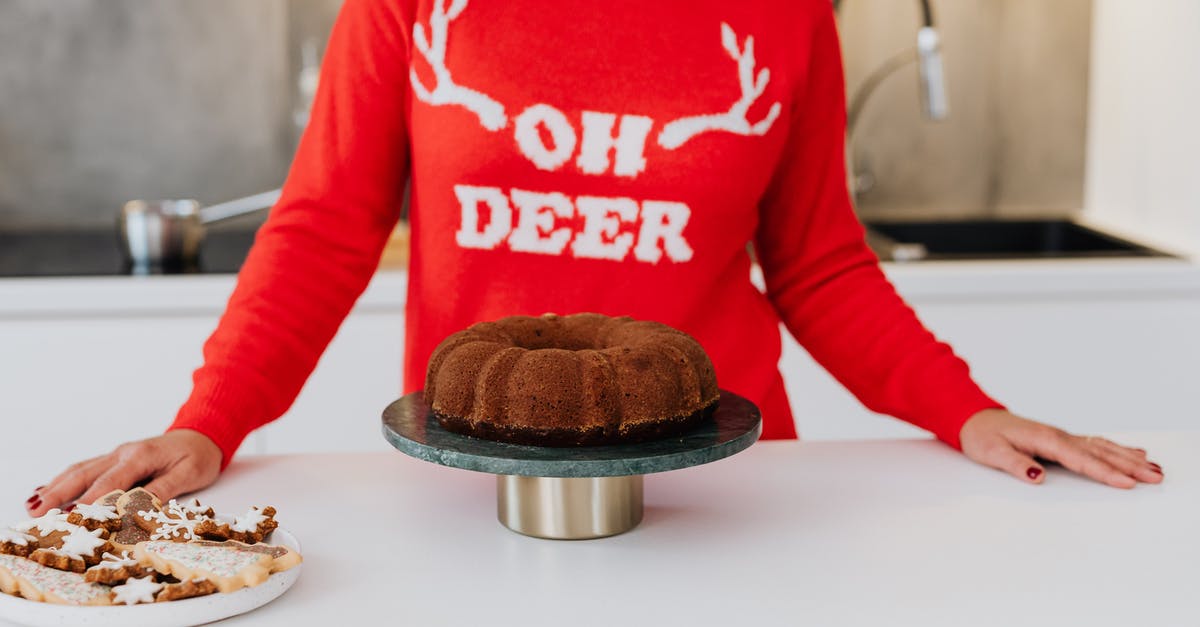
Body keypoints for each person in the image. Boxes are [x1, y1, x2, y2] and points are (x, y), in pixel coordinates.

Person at [26, 0, 1161, 517]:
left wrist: (967, 410)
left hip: (733, 497)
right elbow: (325, 229)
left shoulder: (784, 14)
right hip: (482, 489)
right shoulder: (413, 6)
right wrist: (209, 418)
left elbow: (818, 264)